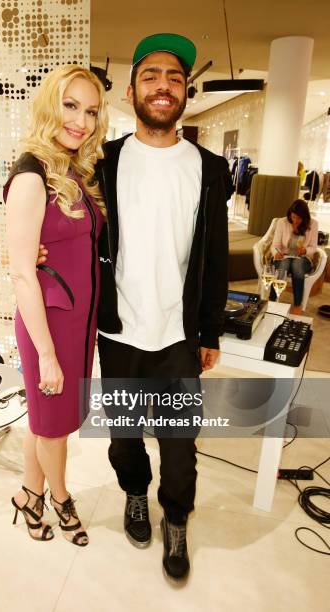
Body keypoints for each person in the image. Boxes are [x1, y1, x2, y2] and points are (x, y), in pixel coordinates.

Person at [38, 33, 231, 580]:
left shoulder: (210, 169)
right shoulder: (104, 161)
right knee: (124, 435)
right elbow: (68, 219)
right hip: (118, 331)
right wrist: (43, 245)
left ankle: (176, 517)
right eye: (151, 76)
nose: (163, 86)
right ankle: (133, 495)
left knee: (180, 444)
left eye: (174, 78)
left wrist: (210, 331)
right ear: (132, 90)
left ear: (186, 93)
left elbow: (214, 258)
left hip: (178, 335)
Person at [4, 65, 108, 545]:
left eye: (90, 110)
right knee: (55, 427)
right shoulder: (31, 173)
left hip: (75, 322)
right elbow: (22, 273)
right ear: (50, 104)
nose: (81, 121)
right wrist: (45, 352)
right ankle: (62, 500)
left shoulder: (71, 170)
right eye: (71, 106)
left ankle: (29, 494)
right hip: (48, 324)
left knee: (47, 421)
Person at [270, 199, 318, 315]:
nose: (295, 221)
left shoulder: (313, 224)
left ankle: (297, 304)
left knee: (297, 265)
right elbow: (275, 245)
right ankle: (273, 301)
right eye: (293, 217)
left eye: (298, 218)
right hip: (284, 257)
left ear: (304, 217)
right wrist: (276, 253)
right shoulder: (282, 222)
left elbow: (313, 248)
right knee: (284, 264)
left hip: (302, 259)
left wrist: (305, 250)